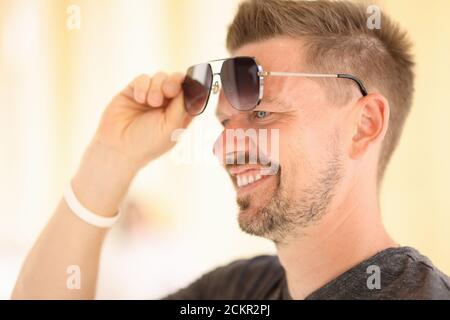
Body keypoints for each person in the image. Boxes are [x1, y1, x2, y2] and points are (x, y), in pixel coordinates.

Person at [12, 0, 450, 300]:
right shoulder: (241, 291)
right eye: (224, 123)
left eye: (262, 115)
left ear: (364, 125)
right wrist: (110, 157)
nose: (225, 147)